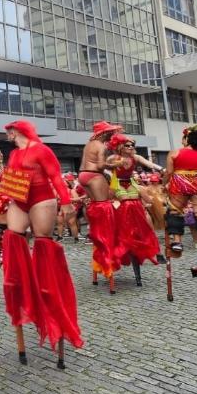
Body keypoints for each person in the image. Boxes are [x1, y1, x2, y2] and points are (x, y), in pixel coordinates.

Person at [1, 121, 82, 366]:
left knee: (43, 243)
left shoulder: (41, 150)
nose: (7, 134)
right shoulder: (14, 153)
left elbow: (56, 177)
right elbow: (11, 179)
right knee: (13, 236)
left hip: (41, 199)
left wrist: (66, 202)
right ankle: (20, 284)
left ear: (16, 131)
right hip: (19, 199)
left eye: (9, 130)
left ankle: (46, 285)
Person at [78, 121, 125, 292]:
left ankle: (96, 232)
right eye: (109, 133)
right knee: (105, 207)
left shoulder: (89, 144)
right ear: (103, 134)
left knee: (96, 207)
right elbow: (99, 165)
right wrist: (115, 165)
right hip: (94, 175)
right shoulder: (101, 146)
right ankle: (104, 240)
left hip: (82, 175)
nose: (111, 136)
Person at [106, 135, 161, 274]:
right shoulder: (113, 158)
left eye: (132, 145)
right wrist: (113, 167)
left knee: (143, 203)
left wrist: (162, 169)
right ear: (120, 147)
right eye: (127, 145)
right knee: (126, 204)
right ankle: (122, 234)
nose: (131, 148)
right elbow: (102, 167)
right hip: (116, 183)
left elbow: (149, 164)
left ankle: (143, 230)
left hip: (131, 183)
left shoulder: (135, 157)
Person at [164, 125, 197, 260]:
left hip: (180, 182)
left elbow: (169, 172)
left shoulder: (174, 152)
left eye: (183, 138)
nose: (181, 141)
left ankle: (177, 242)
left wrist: (163, 183)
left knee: (175, 211)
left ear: (187, 138)